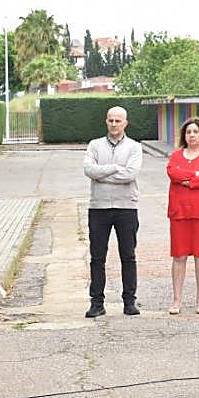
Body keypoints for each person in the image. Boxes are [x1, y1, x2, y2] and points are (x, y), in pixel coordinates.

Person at [82, 106, 142, 317]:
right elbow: (89, 170)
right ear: (106, 121)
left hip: (126, 207)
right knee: (97, 257)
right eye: (111, 120)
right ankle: (97, 303)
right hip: (99, 207)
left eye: (118, 121)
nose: (114, 124)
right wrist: (115, 167)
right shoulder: (95, 145)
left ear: (125, 123)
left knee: (128, 255)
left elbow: (131, 174)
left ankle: (129, 301)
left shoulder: (135, 147)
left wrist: (102, 173)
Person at [166, 118, 199, 314]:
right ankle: (177, 300)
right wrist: (196, 176)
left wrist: (189, 180)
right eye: (188, 132)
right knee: (178, 256)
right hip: (179, 213)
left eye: (196, 131)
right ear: (184, 135)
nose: (192, 135)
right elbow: (173, 173)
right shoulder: (175, 156)